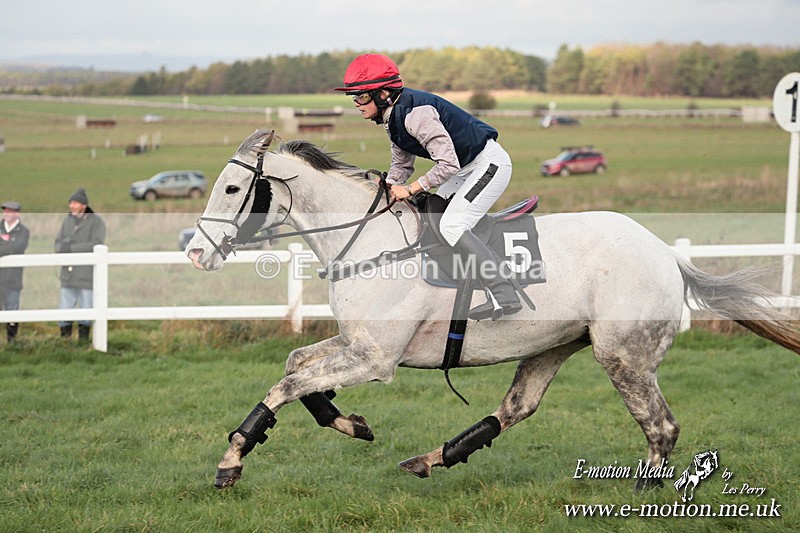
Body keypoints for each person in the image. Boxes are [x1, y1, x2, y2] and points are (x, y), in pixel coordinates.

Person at [335, 53, 521, 320]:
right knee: (429, 215)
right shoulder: (392, 118)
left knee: (451, 225)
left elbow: (447, 165)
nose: (356, 103)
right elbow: (402, 166)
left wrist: (410, 190)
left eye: (362, 97)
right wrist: (387, 186)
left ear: (384, 94)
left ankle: (504, 292)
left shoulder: (416, 115)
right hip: (463, 168)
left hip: (487, 165)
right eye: (354, 97)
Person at [54, 187, 105, 340]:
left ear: (83, 205)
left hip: (85, 274)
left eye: (75, 203)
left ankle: (83, 341)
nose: (71, 206)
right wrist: (61, 248)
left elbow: (97, 243)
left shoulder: (96, 222)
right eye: (71, 203)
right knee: (65, 308)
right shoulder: (67, 220)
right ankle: (65, 340)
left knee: (86, 307)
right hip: (68, 274)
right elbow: (58, 242)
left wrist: (72, 248)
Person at [0, 201, 30, 342]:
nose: (7, 213)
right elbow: (11, 247)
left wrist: (4, 246)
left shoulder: (24, 231)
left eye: (10, 211)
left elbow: (18, 247)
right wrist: (8, 246)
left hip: (13, 279)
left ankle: (11, 344)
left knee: (12, 313)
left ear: (17, 213)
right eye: (5, 210)